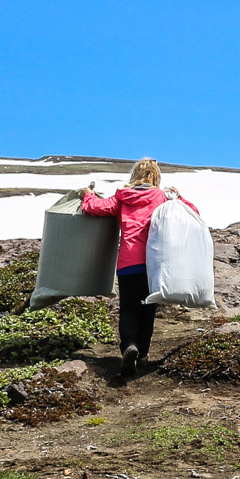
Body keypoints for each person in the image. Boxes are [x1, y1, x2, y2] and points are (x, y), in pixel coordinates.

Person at [80, 158, 198, 377]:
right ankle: (142, 354)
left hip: (128, 264)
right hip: (154, 264)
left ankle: (129, 346)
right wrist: (178, 196)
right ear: (156, 176)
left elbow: (93, 208)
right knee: (148, 309)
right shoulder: (163, 198)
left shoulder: (122, 198)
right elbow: (191, 213)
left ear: (134, 174)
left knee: (128, 308)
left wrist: (87, 194)